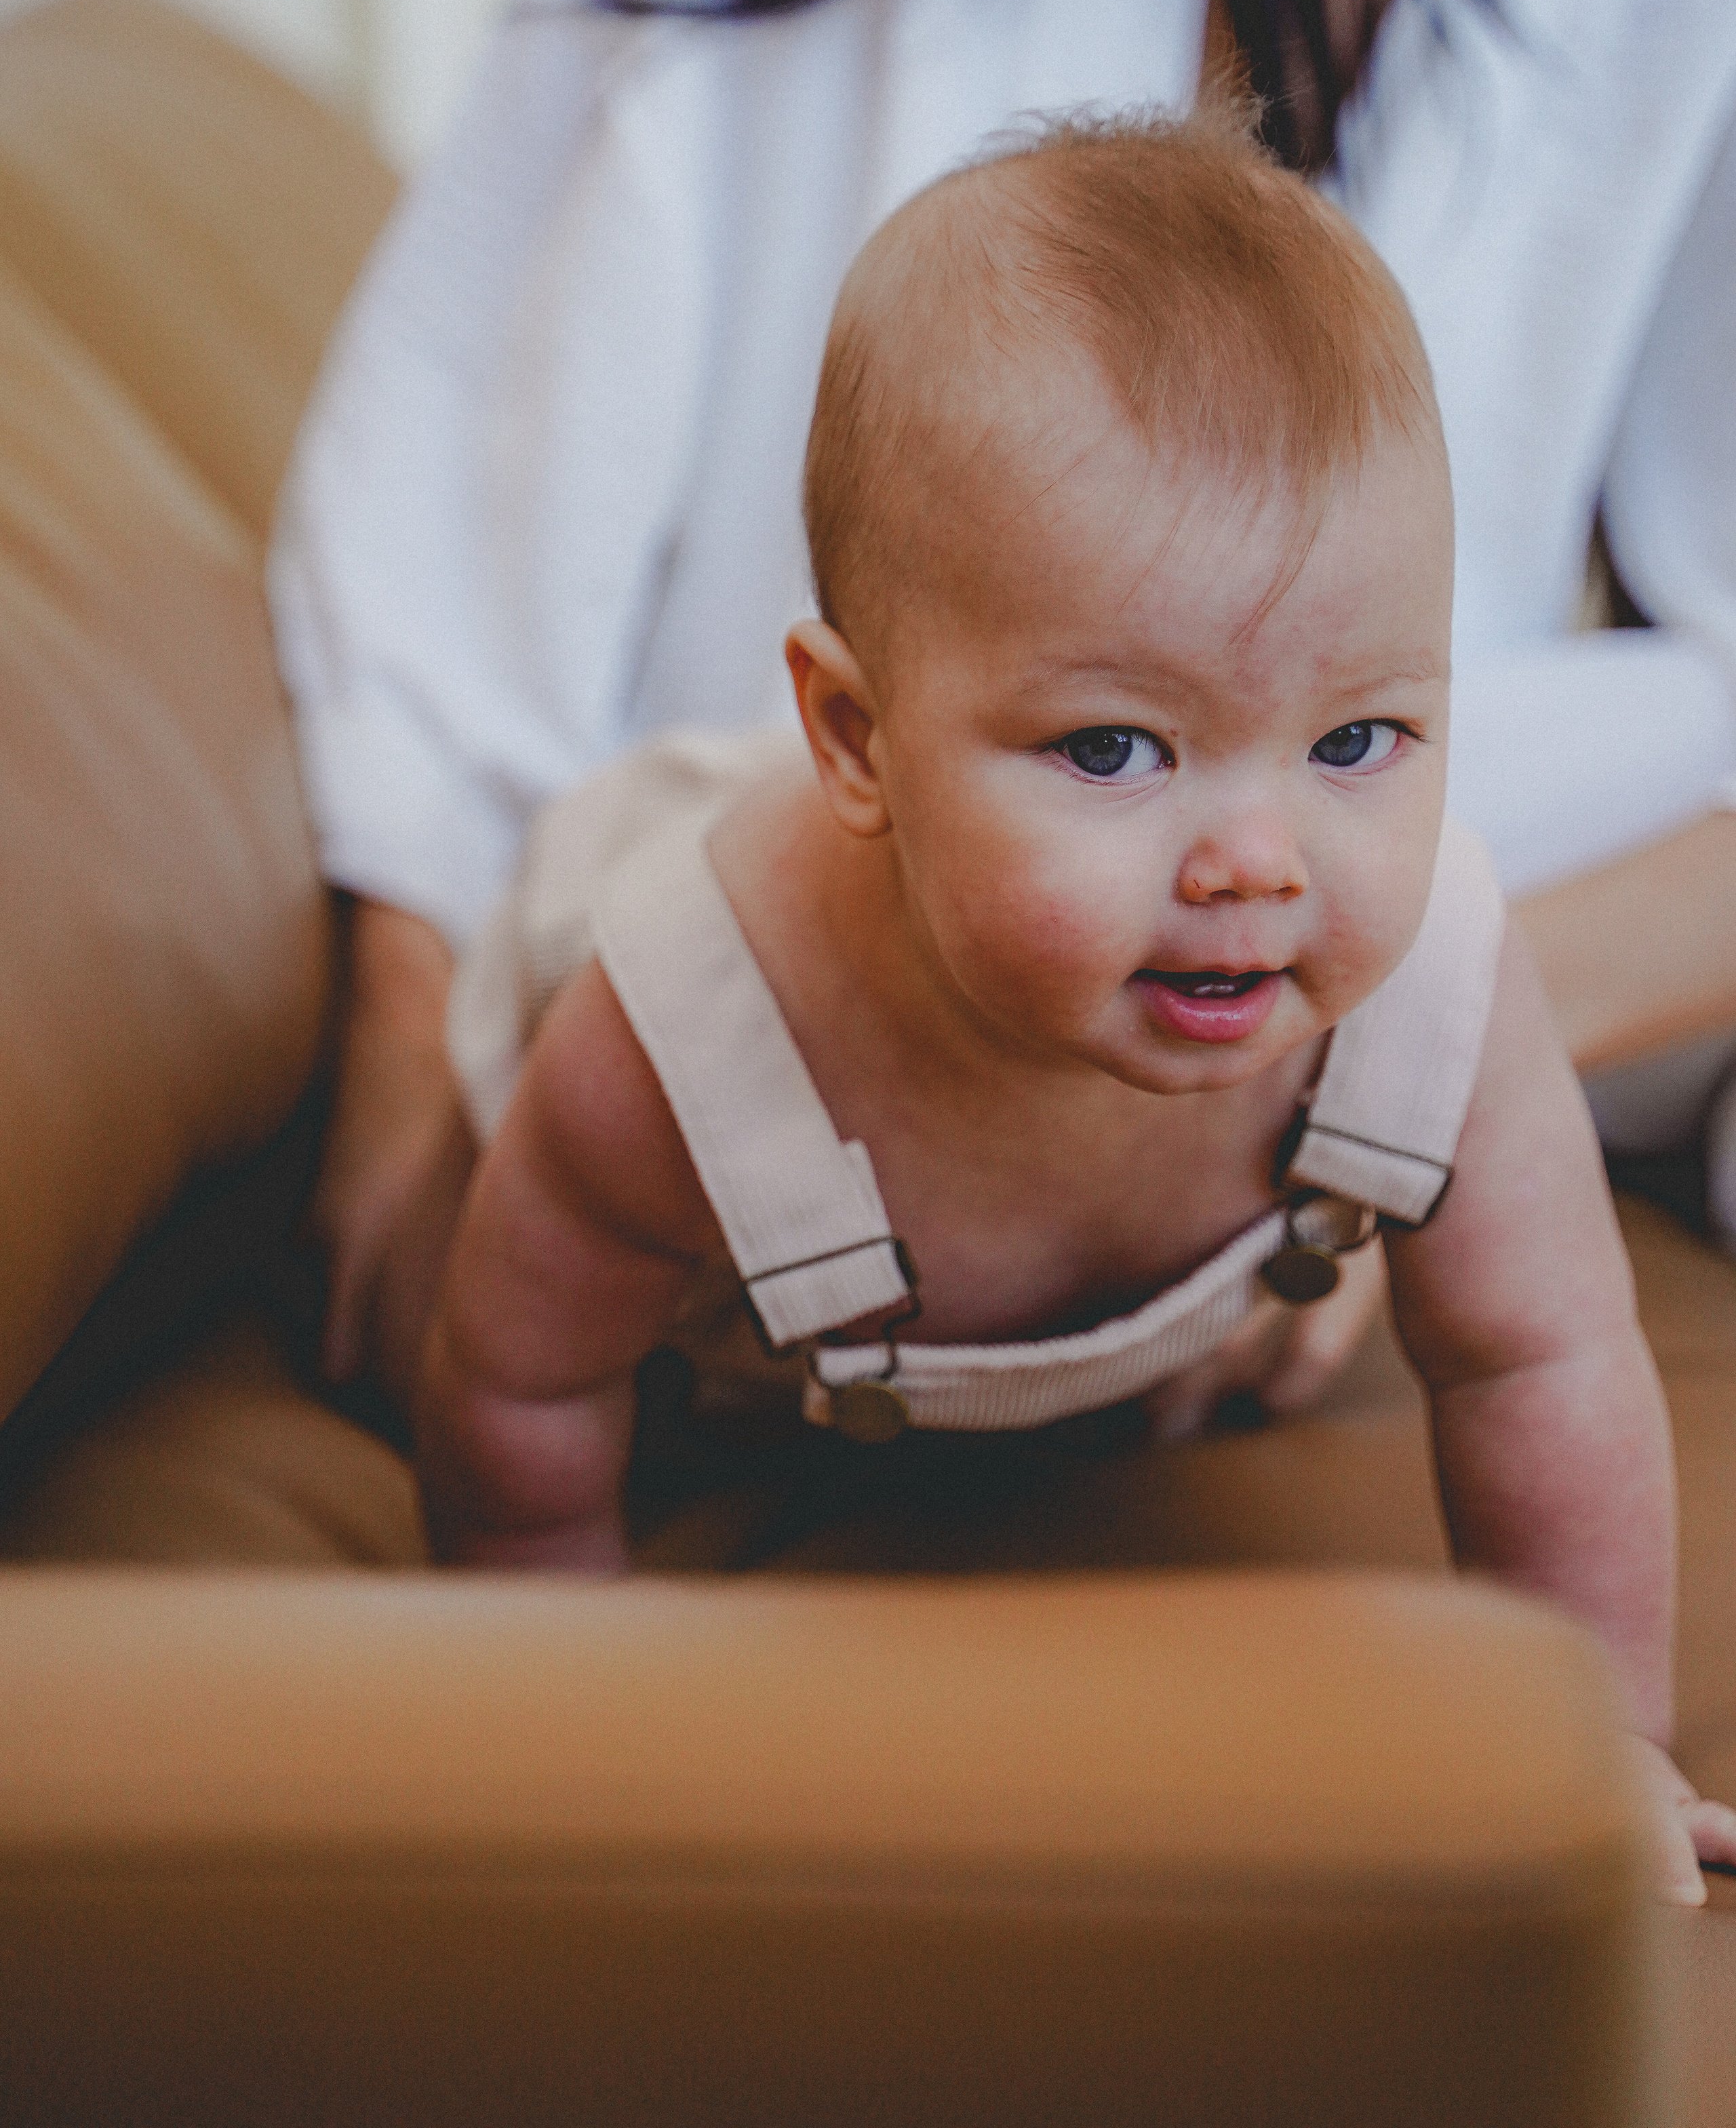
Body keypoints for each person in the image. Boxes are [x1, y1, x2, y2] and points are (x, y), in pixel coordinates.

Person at [268, 0, 1736, 1423]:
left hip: (1346, 850)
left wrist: (1366, 1071)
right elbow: (491, 415)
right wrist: (405, 1093)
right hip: (783, 872)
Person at [415, 115, 1736, 1899]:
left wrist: (1609, 1747)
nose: (1259, 860)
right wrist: (546, 1721)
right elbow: (521, 1384)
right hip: (738, 1233)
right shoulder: (685, 1038)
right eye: (1116, 746)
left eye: (1359, 739)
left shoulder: (1429, 991)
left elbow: (1543, 1357)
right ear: (857, 742)